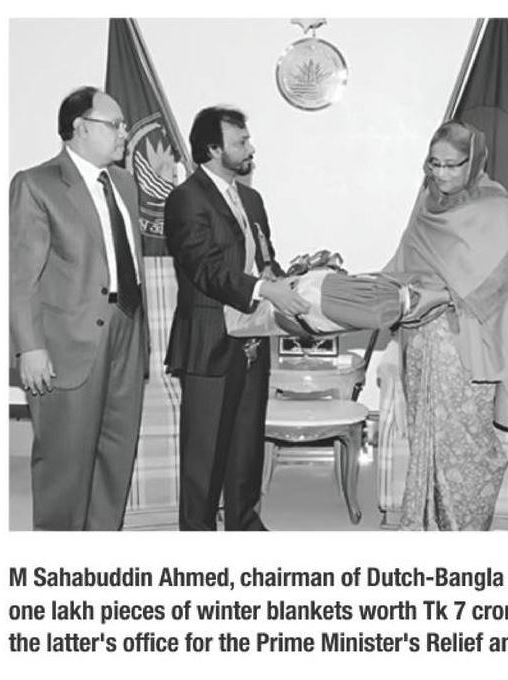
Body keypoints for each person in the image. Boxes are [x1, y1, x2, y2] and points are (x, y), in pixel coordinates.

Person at [385, 121, 508, 531]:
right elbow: (404, 263)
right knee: (427, 439)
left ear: (472, 162)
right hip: (421, 340)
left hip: (469, 344)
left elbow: (505, 279)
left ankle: (464, 530)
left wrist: (445, 297)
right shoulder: (428, 203)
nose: (440, 173)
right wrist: (375, 294)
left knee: (467, 443)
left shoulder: (497, 208)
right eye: (433, 163)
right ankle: (426, 527)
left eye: (451, 165)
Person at [10, 86, 148, 530]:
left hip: (127, 329)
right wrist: (30, 347)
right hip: (68, 343)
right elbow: (21, 277)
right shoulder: (37, 184)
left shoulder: (125, 184)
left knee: (115, 455)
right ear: (80, 128)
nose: (125, 133)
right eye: (116, 124)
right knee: (65, 465)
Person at [164, 107, 309, 531]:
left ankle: (245, 525)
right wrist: (264, 289)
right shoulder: (186, 198)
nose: (251, 148)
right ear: (213, 148)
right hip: (210, 340)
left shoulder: (251, 199)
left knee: (246, 446)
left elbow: (264, 260)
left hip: (252, 338)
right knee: (205, 453)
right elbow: (205, 269)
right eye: (240, 142)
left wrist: (288, 280)